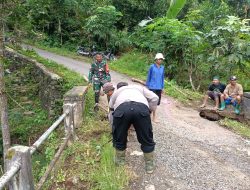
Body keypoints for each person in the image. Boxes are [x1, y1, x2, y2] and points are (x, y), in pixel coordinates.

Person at [103, 82, 159, 174]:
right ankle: (149, 166)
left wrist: (114, 129)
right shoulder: (140, 88)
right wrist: (148, 111)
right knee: (146, 137)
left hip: (122, 110)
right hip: (141, 109)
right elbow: (155, 98)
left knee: (120, 137)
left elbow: (112, 112)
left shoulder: (117, 92)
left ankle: (120, 164)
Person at [146, 53, 165, 123]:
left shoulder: (162, 68)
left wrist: (162, 87)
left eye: (161, 59)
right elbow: (149, 76)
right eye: (159, 59)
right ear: (156, 59)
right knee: (151, 102)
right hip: (152, 87)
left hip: (159, 88)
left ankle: (153, 117)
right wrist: (147, 86)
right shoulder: (152, 67)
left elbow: (162, 78)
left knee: (157, 103)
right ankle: (151, 117)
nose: (160, 60)